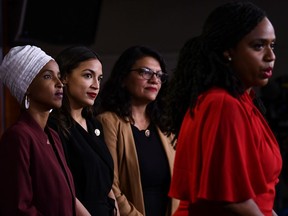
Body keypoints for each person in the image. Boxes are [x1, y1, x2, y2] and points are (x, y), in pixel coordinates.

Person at [162, 1, 282, 216]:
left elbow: (259, 198)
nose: (270, 56)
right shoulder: (222, 104)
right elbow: (233, 201)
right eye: (258, 46)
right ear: (228, 51)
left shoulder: (242, 102)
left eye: (272, 45)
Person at [0, 45, 90, 215]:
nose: (59, 83)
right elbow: (19, 208)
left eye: (59, 76)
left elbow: (67, 199)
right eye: (48, 76)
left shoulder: (53, 135)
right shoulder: (18, 137)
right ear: (26, 86)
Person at [96, 45, 179, 216]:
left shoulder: (165, 127)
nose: (155, 80)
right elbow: (110, 186)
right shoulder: (109, 122)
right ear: (123, 78)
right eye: (145, 72)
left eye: (159, 75)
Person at [48, 45, 118, 216]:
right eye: (88, 76)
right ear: (64, 77)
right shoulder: (52, 126)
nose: (96, 85)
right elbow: (62, 190)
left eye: (100, 78)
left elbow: (106, 182)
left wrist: (116, 210)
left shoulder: (95, 125)